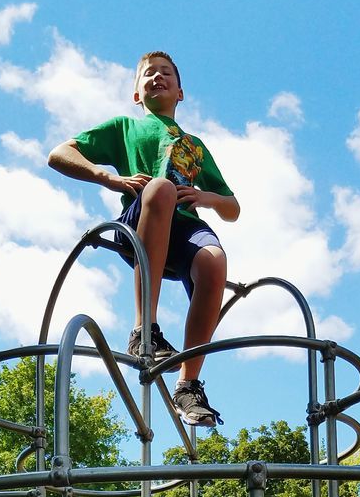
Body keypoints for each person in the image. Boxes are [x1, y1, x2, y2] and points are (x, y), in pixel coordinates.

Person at [47, 50, 240, 427]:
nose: (157, 77)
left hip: (184, 228)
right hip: (143, 219)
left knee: (214, 260)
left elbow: (232, 207)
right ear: (137, 94)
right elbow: (59, 154)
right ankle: (144, 330)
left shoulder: (194, 146)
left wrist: (206, 198)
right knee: (161, 189)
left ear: (180, 93)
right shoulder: (125, 128)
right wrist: (110, 179)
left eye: (166, 73)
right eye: (148, 74)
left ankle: (189, 385)